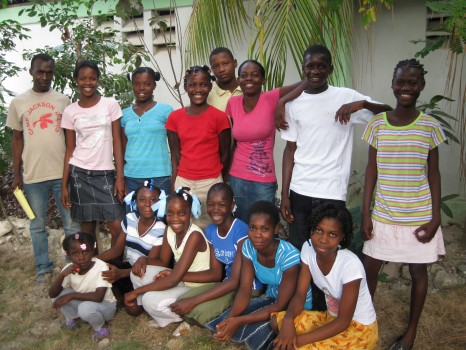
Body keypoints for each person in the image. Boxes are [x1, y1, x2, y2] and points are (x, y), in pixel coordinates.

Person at [361, 59, 446, 350]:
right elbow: (371, 170)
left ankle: (410, 333)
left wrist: (435, 218)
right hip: (383, 212)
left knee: (418, 272)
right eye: (400, 82)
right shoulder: (377, 125)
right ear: (392, 85)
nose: (405, 88)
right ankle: (365, 322)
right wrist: (365, 213)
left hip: (419, 215)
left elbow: (433, 173)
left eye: (412, 83)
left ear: (421, 86)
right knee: (370, 267)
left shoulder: (430, 127)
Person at [278, 44, 392, 251]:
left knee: (330, 251)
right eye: (310, 66)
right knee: (298, 251)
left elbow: (389, 114)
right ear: (303, 69)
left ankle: (326, 285)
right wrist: (285, 194)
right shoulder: (294, 105)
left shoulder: (346, 96)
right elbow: (290, 151)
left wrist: (363, 104)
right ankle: (304, 285)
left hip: (331, 190)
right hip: (299, 190)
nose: (315, 71)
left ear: (330, 69)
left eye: (321, 66)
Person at [6, 53, 80, 284]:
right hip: (33, 177)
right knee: (37, 225)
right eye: (40, 71)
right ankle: (43, 269)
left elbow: (71, 139)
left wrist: (72, 172)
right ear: (31, 72)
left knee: (71, 223)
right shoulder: (18, 102)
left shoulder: (63, 100)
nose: (44, 76)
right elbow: (17, 140)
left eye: (49, 72)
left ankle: (74, 266)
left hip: (61, 174)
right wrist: (17, 174)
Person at [205, 200, 313, 350]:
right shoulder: (248, 247)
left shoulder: (289, 257)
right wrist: (230, 320)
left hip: (293, 306)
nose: (257, 235)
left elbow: (280, 305)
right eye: (252, 228)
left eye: (264, 229)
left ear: (276, 230)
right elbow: (244, 290)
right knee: (230, 318)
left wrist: (239, 321)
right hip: (271, 297)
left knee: (260, 330)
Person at [272, 203, 378, 349]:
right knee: (277, 321)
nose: (323, 239)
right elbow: (300, 294)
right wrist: (289, 320)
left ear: (342, 237)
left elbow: (343, 322)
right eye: (318, 230)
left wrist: (297, 341)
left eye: (332, 234)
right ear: (311, 231)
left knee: (298, 346)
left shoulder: (350, 265)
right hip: (330, 319)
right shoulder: (307, 249)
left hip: (359, 330)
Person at [124, 187, 222, 329]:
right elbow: (162, 262)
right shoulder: (169, 230)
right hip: (181, 278)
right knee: (137, 274)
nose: (175, 219)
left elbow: (175, 278)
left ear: (190, 214)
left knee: (149, 300)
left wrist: (136, 292)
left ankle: (183, 316)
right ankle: (146, 305)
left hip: (196, 287)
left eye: (181, 213)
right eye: (170, 213)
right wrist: (143, 260)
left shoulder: (194, 236)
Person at [170, 183, 262, 333]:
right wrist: (178, 276)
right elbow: (216, 273)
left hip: (246, 288)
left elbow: (235, 281)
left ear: (232, 205)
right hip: (226, 283)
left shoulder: (241, 231)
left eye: (222, 205)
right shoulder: (211, 231)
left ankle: (226, 317)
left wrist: (194, 301)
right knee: (182, 302)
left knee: (197, 309)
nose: (215, 210)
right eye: (211, 205)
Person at [227, 60, 305, 222]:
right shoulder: (232, 103)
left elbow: (305, 84)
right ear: (238, 79)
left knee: (265, 227)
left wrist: (282, 102)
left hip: (263, 181)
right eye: (244, 75)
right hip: (237, 177)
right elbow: (233, 142)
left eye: (255, 75)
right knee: (239, 226)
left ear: (263, 80)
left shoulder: (271, 98)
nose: (249, 79)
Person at [61, 60, 125, 249]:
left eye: (92, 78)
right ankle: (94, 268)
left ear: (98, 80)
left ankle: (115, 268)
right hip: (79, 173)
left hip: (105, 173)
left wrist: (119, 176)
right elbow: (69, 150)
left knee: (116, 225)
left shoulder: (110, 105)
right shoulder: (70, 111)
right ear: (76, 80)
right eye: (83, 78)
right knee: (88, 229)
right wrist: (64, 185)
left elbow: (117, 142)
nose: (87, 83)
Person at [166, 65, 231, 229]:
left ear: (210, 86)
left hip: (210, 182)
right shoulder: (175, 117)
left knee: (210, 226)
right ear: (186, 87)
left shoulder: (220, 118)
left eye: (203, 84)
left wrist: (216, 178)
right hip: (184, 181)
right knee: (183, 226)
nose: (198, 89)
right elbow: (175, 156)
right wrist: (174, 185)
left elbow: (225, 154)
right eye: (193, 84)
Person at [97, 180, 165, 314]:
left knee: (133, 310)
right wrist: (94, 260)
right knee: (103, 267)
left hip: (144, 274)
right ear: (135, 202)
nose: (147, 204)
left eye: (153, 200)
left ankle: (127, 297)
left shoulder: (161, 229)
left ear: (160, 202)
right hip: (128, 267)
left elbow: (150, 265)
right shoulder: (130, 219)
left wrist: (120, 274)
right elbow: (117, 250)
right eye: (142, 200)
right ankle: (116, 297)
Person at [49, 232, 117, 342]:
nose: (81, 257)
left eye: (85, 252)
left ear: (92, 251)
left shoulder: (101, 266)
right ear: (68, 255)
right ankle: (75, 318)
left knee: (84, 308)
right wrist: (61, 275)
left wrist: (71, 296)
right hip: (85, 303)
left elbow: (98, 297)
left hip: (105, 306)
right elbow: (52, 294)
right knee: (57, 296)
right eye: (75, 254)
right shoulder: (69, 268)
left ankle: (100, 328)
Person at [121, 67, 173, 197]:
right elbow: (122, 149)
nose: (142, 88)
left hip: (160, 176)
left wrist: (175, 179)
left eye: (147, 84)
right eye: (137, 84)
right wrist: (121, 178)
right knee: (133, 216)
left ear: (154, 85)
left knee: (160, 216)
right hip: (132, 176)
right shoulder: (124, 114)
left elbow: (175, 148)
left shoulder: (166, 111)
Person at [207, 47, 242, 112]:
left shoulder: (248, 89)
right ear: (211, 69)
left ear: (235, 63)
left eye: (225, 63)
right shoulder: (208, 96)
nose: (221, 69)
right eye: (215, 66)